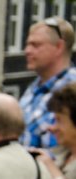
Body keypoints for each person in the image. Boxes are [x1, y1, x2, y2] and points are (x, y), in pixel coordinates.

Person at [20, 16, 76, 149]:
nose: (27, 51)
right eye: (27, 45)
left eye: (35, 45)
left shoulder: (72, 90)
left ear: (59, 47)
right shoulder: (33, 88)